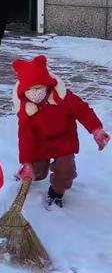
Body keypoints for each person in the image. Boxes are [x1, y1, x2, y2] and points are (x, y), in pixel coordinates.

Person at [14, 55, 109, 208]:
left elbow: (83, 111)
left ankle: (57, 191)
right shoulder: (26, 111)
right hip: (40, 144)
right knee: (37, 173)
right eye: (29, 90)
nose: (34, 93)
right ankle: (26, 171)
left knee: (66, 171)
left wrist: (96, 130)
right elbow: (25, 138)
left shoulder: (64, 98)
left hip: (63, 140)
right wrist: (26, 162)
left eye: (38, 88)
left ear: (48, 85)